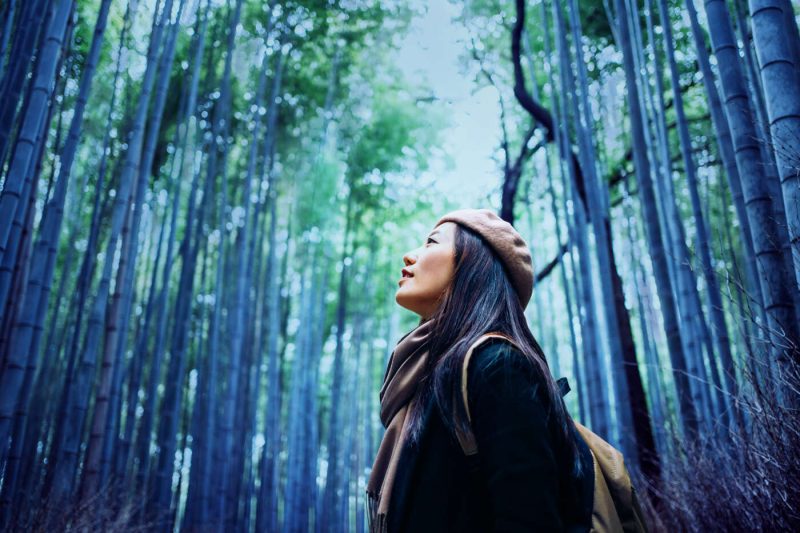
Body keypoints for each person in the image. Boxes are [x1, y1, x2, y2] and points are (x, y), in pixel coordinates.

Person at [366, 208, 595, 532]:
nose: (409, 256)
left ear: (471, 264)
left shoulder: (497, 367)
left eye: (431, 243)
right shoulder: (424, 384)